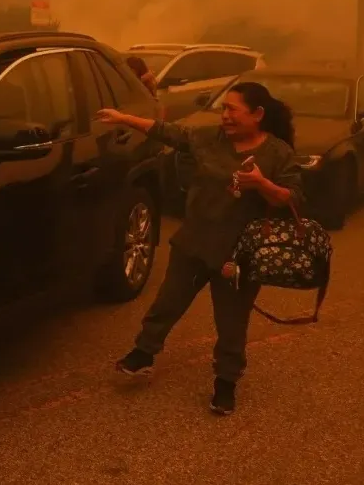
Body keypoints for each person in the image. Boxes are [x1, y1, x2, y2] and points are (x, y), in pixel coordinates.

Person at [94, 81, 304, 415]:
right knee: (168, 302)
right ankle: (144, 353)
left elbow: (293, 199)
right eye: (223, 109)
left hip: (239, 256)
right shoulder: (208, 139)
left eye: (232, 109)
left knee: (232, 322)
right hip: (194, 243)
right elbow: (168, 132)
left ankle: (225, 383)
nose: (225, 116)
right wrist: (124, 118)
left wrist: (262, 184)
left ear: (258, 114)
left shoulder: (278, 153)